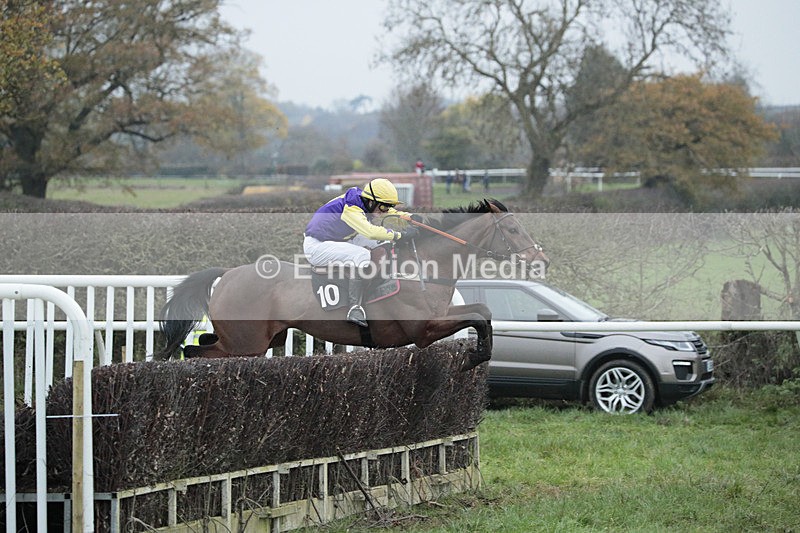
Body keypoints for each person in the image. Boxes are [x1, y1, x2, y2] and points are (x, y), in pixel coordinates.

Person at [304, 178, 420, 327]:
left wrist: (407, 218)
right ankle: (355, 308)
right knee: (361, 255)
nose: (384, 210)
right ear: (371, 202)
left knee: (385, 242)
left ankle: (386, 279)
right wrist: (399, 235)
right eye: (383, 207)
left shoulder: (366, 202)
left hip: (340, 238)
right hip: (317, 246)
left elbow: (389, 212)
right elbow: (370, 232)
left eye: (387, 207)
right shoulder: (351, 209)